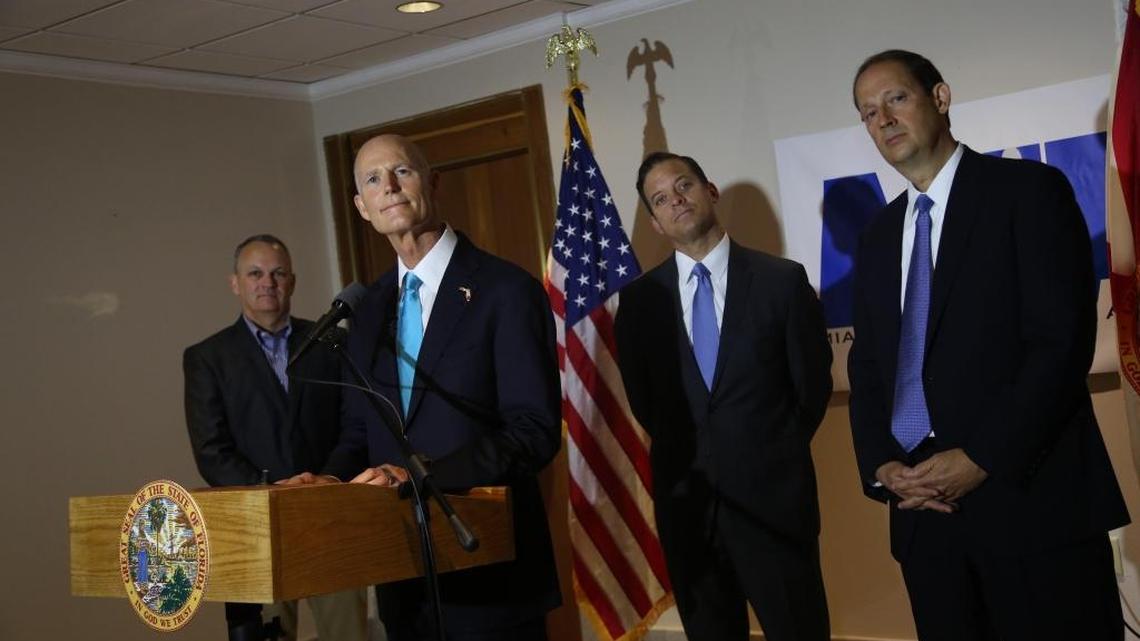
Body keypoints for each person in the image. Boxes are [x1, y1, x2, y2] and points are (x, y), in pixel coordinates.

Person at [847, 49, 1129, 640]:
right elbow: (869, 366)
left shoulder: (1028, 193)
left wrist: (980, 457)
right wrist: (882, 466)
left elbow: (1059, 344)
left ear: (940, 97)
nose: (883, 120)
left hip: (1031, 506)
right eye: (868, 113)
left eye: (895, 98)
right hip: (926, 524)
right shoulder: (876, 238)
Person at [286, 134, 562, 641]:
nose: (388, 187)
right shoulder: (364, 311)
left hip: (490, 578)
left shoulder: (505, 290)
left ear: (432, 182)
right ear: (361, 207)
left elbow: (534, 431)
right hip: (403, 579)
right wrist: (327, 485)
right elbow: (357, 432)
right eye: (373, 179)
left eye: (402, 172)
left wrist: (422, 475)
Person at [614, 152, 833, 641]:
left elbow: (810, 392)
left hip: (775, 511)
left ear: (709, 191)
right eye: (661, 199)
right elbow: (647, 404)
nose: (677, 201)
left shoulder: (783, 282)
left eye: (684, 185)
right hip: (691, 519)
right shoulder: (639, 303)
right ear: (654, 221)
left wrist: (767, 454)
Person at [183, 234, 368, 641]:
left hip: (329, 519)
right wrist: (272, 490)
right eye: (255, 273)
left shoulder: (331, 343)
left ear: (293, 282)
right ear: (235, 283)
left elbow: (355, 428)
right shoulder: (206, 358)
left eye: (278, 273)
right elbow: (212, 451)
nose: (267, 282)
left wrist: (325, 482)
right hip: (253, 530)